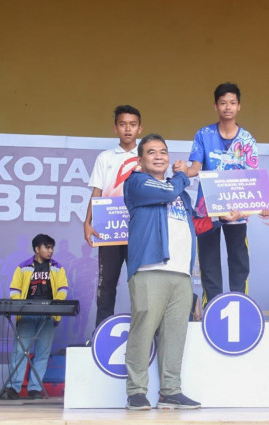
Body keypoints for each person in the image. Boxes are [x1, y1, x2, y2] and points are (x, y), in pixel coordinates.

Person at [123, 133, 200, 410]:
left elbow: (201, 221)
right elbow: (168, 191)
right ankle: (136, 391)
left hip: (181, 272)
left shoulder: (180, 194)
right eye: (152, 152)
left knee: (175, 333)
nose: (159, 156)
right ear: (141, 160)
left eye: (164, 152)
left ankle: (170, 390)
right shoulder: (137, 182)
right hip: (149, 267)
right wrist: (184, 174)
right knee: (143, 330)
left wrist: (242, 210)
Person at [186, 82, 267, 307]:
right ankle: (211, 307)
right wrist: (184, 170)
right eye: (223, 103)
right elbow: (196, 167)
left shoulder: (247, 140)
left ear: (239, 106)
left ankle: (240, 305)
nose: (228, 107)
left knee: (239, 263)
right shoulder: (203, 134)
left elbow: (252, 179)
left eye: (232, 103)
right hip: (206, 211)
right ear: (215, 106)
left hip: (236, 211)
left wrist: (253, 207)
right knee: (209, 263)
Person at [84, 105, 142, 329]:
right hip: (109, 229)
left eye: (133, 124)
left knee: (141, 284)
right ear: (115, 128)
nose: (128, 129)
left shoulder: (146, 154)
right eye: (122, 124)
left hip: (137, 229)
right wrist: (87, 222)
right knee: (106, 285)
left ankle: (144, 335)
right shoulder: (105, 157)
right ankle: (101, 333)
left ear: (140, 128)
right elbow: (97, 191)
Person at [4, 234, 68, 400]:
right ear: (36, 249)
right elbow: (14, 291)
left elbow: (63, 290)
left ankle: (35, 389)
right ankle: (13, 388)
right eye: (47, 247)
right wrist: (21, 308)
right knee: (20, 351)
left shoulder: (57, 268)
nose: (50, 251)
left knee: (42, 353)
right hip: (27, 315)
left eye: (52, 247)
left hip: (47, 315)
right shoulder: (23, 267)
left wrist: (55, 307)